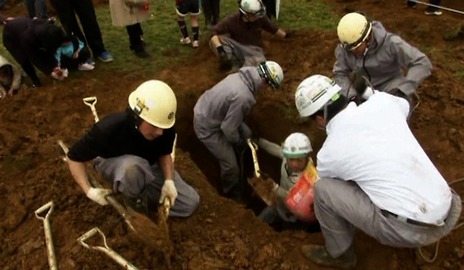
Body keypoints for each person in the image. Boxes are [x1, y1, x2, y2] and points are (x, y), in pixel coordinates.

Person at [294, 74, 462, 268]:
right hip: (450, 208)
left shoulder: (329, 153)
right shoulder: (383, 103)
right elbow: (403, 107)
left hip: (405, 231)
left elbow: (330, 183)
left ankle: (339, 254)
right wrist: (368, 94)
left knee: (323, 189)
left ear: (320, 119)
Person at [66, 80, 200, 220]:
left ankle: (142, 193)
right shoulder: (109, 128)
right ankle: (136, 211)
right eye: (154, 125)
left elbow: (164, 153)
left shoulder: (164, 127)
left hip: (148, 166)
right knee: (133, 167)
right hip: (113, 163)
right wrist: (89, 191)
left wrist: (168, 181)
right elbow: (73, 158)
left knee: (189, 203)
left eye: (163, 127)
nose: (160, 132)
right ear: (137, 116)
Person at [193, 61, 284, 202]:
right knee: (231, 166)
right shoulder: (243, 96)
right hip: (207, 126)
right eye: (268, 86)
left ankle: (246, 150)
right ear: (265, 80)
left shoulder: (241, 77)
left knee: (247, 134)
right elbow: (228, 129)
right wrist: (238, 143)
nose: (266, 90)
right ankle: (232, 196)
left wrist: (244, 138)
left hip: (210, 111)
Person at [333, 12, 432, 102]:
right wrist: (351, 96)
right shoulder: (346, 48)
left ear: (367, 37)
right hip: (363, 92)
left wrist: (404, 89)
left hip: (391, 91)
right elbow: (340, 74)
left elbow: (422, 62)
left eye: (357, 47)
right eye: (350, 49)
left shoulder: (391, 44)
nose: (353, 52)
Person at [257, 133, 317, 228]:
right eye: (291, 160)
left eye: (299, 160)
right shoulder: (287, 156)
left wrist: (273, 186)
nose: (294, 164)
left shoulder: (309, 178)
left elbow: (292, 199)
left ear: (307, 156)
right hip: (278, 207)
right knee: (255, 224)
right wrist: (259, 141)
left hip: (293, 218)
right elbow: (276, 149)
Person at [209, 0, 288, 71]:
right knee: (218, 39)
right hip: (237, 46)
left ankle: (241, 69)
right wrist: (221, 50)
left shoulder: (261, 18)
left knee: (258, 65)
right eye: (255, 14)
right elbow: (213, 32)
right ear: (246, 15)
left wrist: (286, 36)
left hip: (254, 51)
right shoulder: (232, 20)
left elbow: (273, 29)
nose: (258, 16)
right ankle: (233, 62)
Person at [2, 16, 65, 86]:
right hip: (10, 38)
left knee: (41, 52)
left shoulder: (49, 28)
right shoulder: (28, 38)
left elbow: (49, 51)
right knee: (24, 59)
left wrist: (55, 66)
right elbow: (34, 58)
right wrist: (49, 71)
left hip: (21, 27)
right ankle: (35, 81)